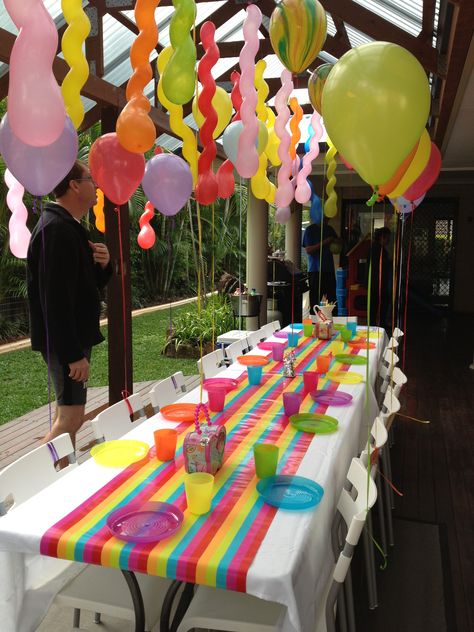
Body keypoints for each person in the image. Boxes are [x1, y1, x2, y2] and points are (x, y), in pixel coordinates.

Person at [27, 160, 112, 448]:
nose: (96, 186)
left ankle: (61, 473)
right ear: (75, 185)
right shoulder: (56, 230)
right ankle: (29, 482)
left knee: (69, 413)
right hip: (67, 342)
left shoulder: (69, 227)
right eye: (91, 179)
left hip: (72, 339)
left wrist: (103, 265)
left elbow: (82, 288)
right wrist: (72, 354)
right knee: (71, 417)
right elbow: (55, 301)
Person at [302, 216, 338, 313]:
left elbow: (338, 246)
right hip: (315, 270)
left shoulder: (329, 229)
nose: (327, 221)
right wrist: (324, 242)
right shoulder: (310, 230)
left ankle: (331, 320)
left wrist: (336, 242)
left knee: (331, 298)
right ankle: (315, 322)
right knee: (316, 298)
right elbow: (308, 250)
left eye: (328, 219)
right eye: (325, 218)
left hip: (328, 269)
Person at [367, 226, 392, 331]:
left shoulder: (376, 248)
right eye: (387, 238)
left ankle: (376, 323)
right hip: (377, 281)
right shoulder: (378, 249)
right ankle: (378, 323)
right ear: (382, 237)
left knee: (377, 302)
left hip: (376, 281)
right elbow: (381, 265)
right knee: (379, 302)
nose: (388, 240)